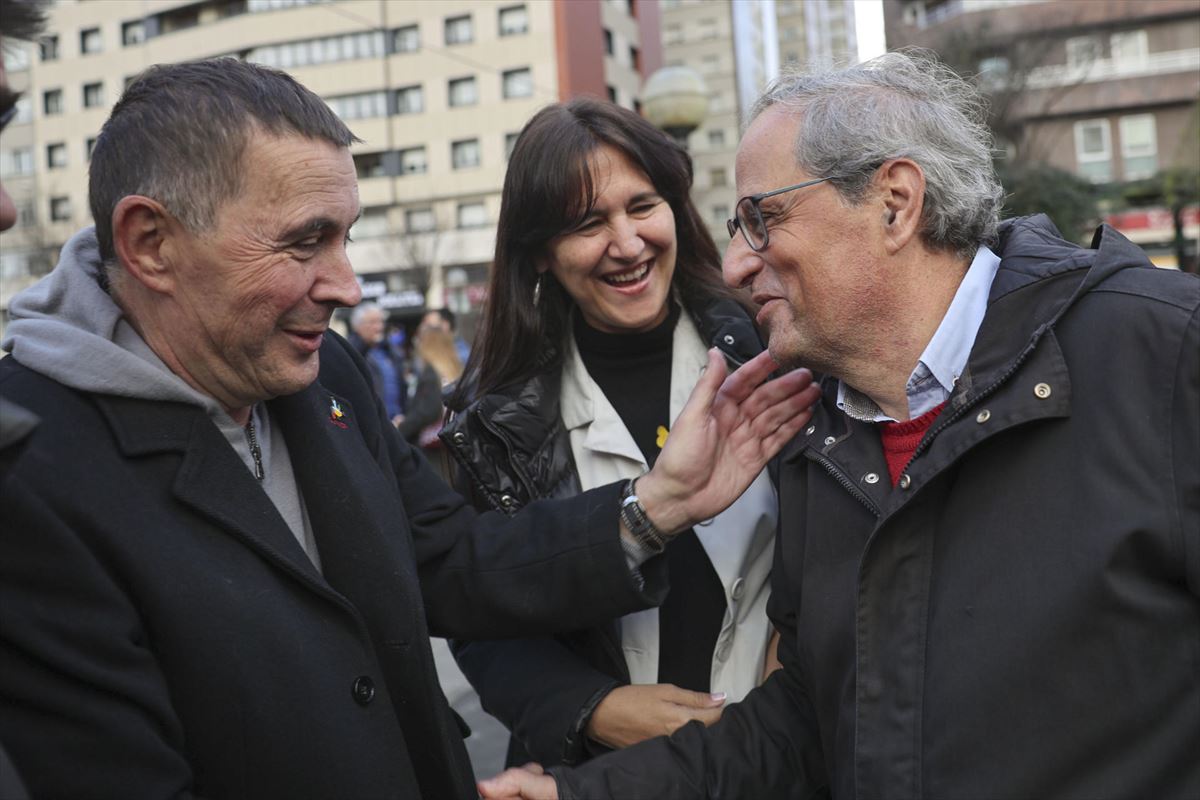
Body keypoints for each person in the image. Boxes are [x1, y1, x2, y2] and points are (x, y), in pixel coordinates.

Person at [0, 58, 822, 799]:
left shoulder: (321, 375)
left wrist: (651, 508)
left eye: (344, 238)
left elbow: (448, 562)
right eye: (304, 242)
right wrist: (584, 708)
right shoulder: (30, 464)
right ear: (150, 243)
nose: (348, 287)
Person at [479, 51, 1200, 800]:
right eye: (735, 225)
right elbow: (804, 723)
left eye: (763, 218)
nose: (732, 265)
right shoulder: (820, 431)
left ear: (894, 202)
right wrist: (581, 792)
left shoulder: (1165, 354)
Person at [442, 98, 784, 771]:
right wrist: (588, 708)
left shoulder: (776, 350)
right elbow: (476, 610)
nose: (626, 244)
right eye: (588, 223)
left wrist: (797, 676)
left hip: (778, 756)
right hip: (600, 774)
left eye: (642, 206)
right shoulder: (490, 421)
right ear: (540, 252)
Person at [347, 303, 407, 426]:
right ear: (357, 326)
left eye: (380, 322)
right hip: (371, 424)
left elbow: (402, 386)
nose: (378, 327)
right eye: (372, 322)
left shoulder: (390, 351)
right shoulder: (351, 351)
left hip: (396, 422)